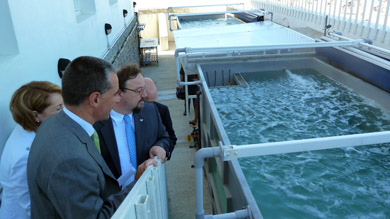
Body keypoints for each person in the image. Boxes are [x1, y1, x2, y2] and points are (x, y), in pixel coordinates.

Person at [27, 56, 155, 218]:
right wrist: (136, 184)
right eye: (115, 93)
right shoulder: (69, 160)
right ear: (95, 99)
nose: (119, 99)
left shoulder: (53, 122)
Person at [94, 64, 170, 187]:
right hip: (118, 202)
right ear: (119, 93)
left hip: (150, 192)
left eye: (144, 89)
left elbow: (165, 137)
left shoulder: (150, 111)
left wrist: (161, 147)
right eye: (138, 91)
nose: (144, 95)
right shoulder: (97, 124)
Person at [0, 81, 63, 219]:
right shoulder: (23, 156)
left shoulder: (30, 127)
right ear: (35, 115)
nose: (65, 113)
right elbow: (32, 206)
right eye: (58, 109)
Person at [144, 77, 177, 160]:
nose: (152, 106)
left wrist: (164, 151)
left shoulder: (162, 110)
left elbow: (171, 137)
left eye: (153, 100)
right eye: (148, 102)